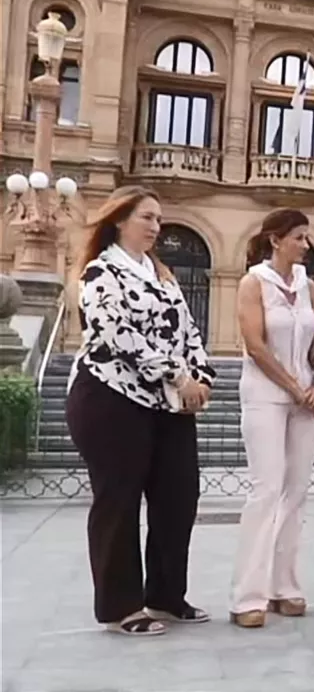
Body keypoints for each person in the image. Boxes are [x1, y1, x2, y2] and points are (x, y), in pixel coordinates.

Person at [65, 186, 216, 636]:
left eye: (158, 219)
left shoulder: (163, 275)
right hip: (110, 398)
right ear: (118, 220)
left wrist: (202, 376)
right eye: (146, 217)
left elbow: (190, 331)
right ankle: (121, 607)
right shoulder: (99, 273)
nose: (155, 227)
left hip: (167, 403)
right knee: (119, 500)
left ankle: (167, 596)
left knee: (179, 495)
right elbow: (118, 336)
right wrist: (177, 376)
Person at [230, 208, 314, 628]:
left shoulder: (309, 286)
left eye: (307, 238)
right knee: (266, 490)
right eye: (299, 238)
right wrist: (293, 387)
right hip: (266, 396)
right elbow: (255, 344)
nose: (305, 245)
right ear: (276, 240)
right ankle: (247, 597)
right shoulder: (253, 283)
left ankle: (285, 587)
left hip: (307, 398)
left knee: (296, 491)